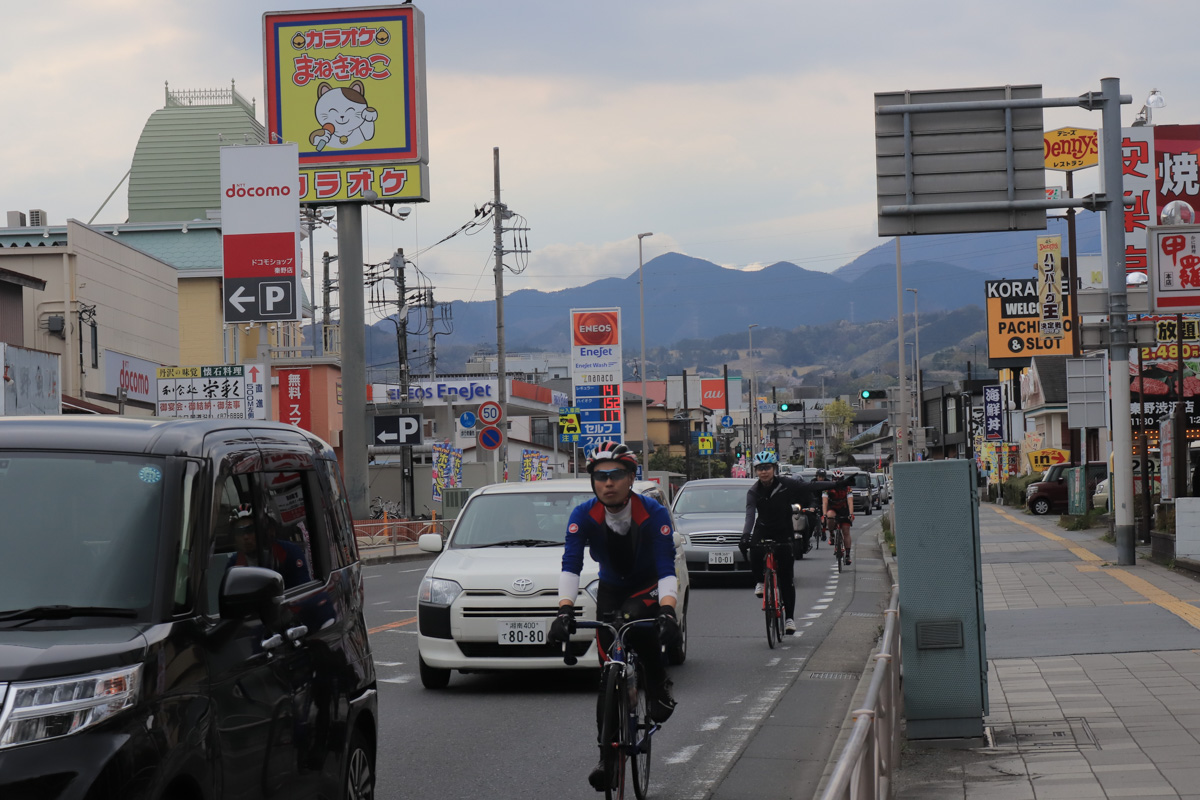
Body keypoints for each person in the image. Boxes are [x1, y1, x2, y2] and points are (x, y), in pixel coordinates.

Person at [547, 441, 680, 792]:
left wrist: (667, 609)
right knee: (607, 675)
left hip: (647, 587)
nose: (607, 483)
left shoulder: (651, 512)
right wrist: (563, 610)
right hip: (609, 588)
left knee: (638, 622)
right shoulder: (583, 515)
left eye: (616, 475)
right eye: (599, 476)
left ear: (631, 477)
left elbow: (667, 566)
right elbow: (571, 565)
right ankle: (607, 758)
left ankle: (657, 684)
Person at [738, 452, 848, 635]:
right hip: (763, 528)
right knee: (754, 550)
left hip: (783, 530)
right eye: (760, 468)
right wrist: (745, 535)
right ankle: (759, 581)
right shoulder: (753, 492)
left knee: (786, 578)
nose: (764, 472)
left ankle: (789, 618)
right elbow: (750, 515)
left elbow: (810, 486)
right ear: (756, 471)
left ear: (774, 468)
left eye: (767, 468)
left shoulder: (786, 485)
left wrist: (836, 484)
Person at [228, 503, 313, 589]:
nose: (245, 537)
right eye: (239, 532)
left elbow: (305, 592)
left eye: (250, 529)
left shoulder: (289, 552)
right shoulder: (234, 563)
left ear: (263, 530)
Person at [823, 469, 854, 566]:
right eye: (835, 479)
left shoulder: (847, 488)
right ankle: (832, 534)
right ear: (832, 480)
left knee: (846, 531)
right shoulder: (827, 488)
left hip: (844, 509)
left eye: (839, 479)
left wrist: (851, 514)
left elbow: (850, 502)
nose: (837, 481)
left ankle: (848, 555)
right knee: (830, 516)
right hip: (833, 508)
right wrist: (824, 514)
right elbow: (825, 502)